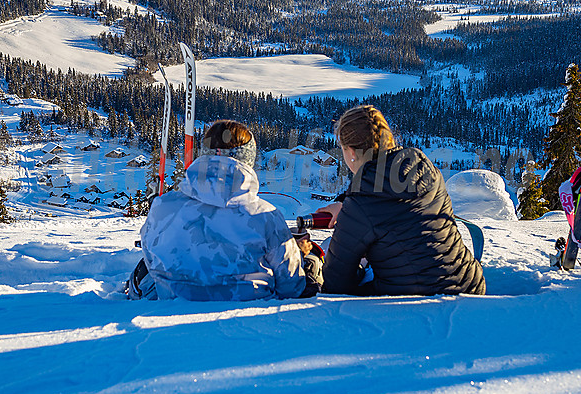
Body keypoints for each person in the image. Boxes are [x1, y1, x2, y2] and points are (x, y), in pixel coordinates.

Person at [126, 119, 315, 301]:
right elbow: (291, 287)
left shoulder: (163, 207)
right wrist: (299, 254)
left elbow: (151, 260)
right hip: (249, 320)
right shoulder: (266, 216)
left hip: (172, 311)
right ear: (248, 158)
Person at [319, 105, 486, 297]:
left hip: (417, 299)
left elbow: (336, 283)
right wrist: (345, 205)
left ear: (352, 153)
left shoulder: (361, 203)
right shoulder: (422, 166)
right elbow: (398, 207)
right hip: (470, 283)